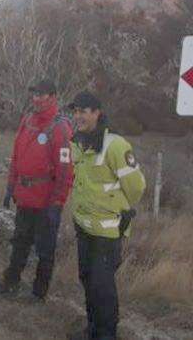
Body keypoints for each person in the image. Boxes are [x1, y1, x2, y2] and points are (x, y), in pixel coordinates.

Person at [68, 92, 145, 340]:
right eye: (76, 111)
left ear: (97, 112)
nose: (78, 116)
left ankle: (106, 335)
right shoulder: (76, 142)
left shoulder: (116, 145)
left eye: (84, 111)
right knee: (88, 281)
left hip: (108, 232)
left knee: (103, 288)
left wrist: (119, 209)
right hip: (84, 227)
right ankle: (92, 330)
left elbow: (136, 187)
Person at [0, 79, 74, 300]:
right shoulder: (27, 120)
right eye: (35, 94)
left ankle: (39, 293)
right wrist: (11, 187)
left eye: (42, 95)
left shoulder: (60, 127)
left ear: (53, 96)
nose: (37, 99)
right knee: (19, 243)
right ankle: (10, 282)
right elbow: (17, 156)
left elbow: (66, 170)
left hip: (47, 202)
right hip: (25, 197)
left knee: (45, 250)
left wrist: (57, 202)